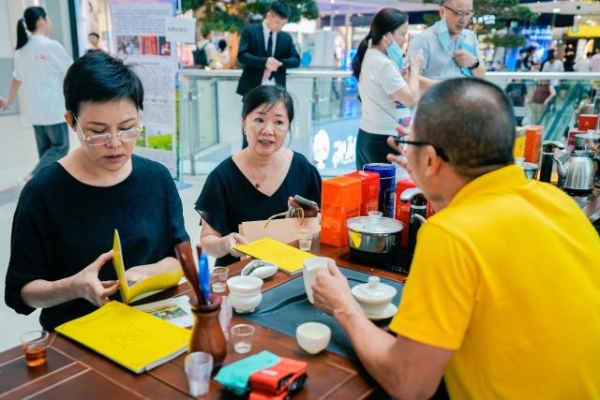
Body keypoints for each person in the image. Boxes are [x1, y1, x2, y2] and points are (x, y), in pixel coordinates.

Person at [311, 77, 600, 399]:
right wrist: (432, 176)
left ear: (432, 159)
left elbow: (409, 384)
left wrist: (342, 305)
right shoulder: (558, 202)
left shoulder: (450, 234)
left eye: (411, 145)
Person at [4, 51, 189, 331]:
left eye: (127, 128)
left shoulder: (156, 179)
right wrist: (74, 287)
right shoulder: (43, 192)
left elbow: (180, 258)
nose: (115, 143)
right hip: (77, 339)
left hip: (152, 328)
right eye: (98, 131)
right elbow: (21, 292)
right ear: (71, 122)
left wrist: (147, 274)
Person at [195, 85, 321, 267]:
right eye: (259, 119)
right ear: (244, 123)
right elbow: (207, 242)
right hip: (239, 277)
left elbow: (326, 223)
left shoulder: (302, 167)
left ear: (288, 127)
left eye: (279, 122)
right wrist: (226, 243)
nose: (268, 130)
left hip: (290, 273)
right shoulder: (222, 177)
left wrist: (313, 218)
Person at [0, 6, 72, 181]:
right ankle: (33, 176)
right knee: (60, 147)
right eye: (48, 18)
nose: (50, 22)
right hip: (53, 110)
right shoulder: (51, 46)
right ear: (41, 20)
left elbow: (16, 78)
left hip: (34, 112)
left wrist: (8, 100)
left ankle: (45, 185)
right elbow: (72, 71)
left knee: (46, 152)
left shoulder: (23, 50)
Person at [352, 8, 423, 170]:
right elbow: (410, 99)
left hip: (369, 135)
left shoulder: (371, 56)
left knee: (370, 191)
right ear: (387, 36)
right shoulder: (383, 64)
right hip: (384, 139)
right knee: (385, 192)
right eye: (402, 34)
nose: (404, 40)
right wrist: (416, 68)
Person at [407, 0, 485, 90]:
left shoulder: (471, 36)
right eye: (458, 13)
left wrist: (474, 63)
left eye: (468, 14)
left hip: (467, 100)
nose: (464, 20)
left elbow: (481, 76)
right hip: (436, 101)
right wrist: (449, 87)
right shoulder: (422, 40)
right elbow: (410, 78)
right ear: (442, 12)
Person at [236, 0, 300, 101]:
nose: (280, 27)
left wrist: (277, 64)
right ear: (269, 16)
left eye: (283, 24)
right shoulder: (250, 31)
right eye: (277, 22)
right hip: (252, 88)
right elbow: (242, 56)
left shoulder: (286, 38)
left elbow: (296, 60)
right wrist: (265, 62)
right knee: (251, 116)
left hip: (277, 89)